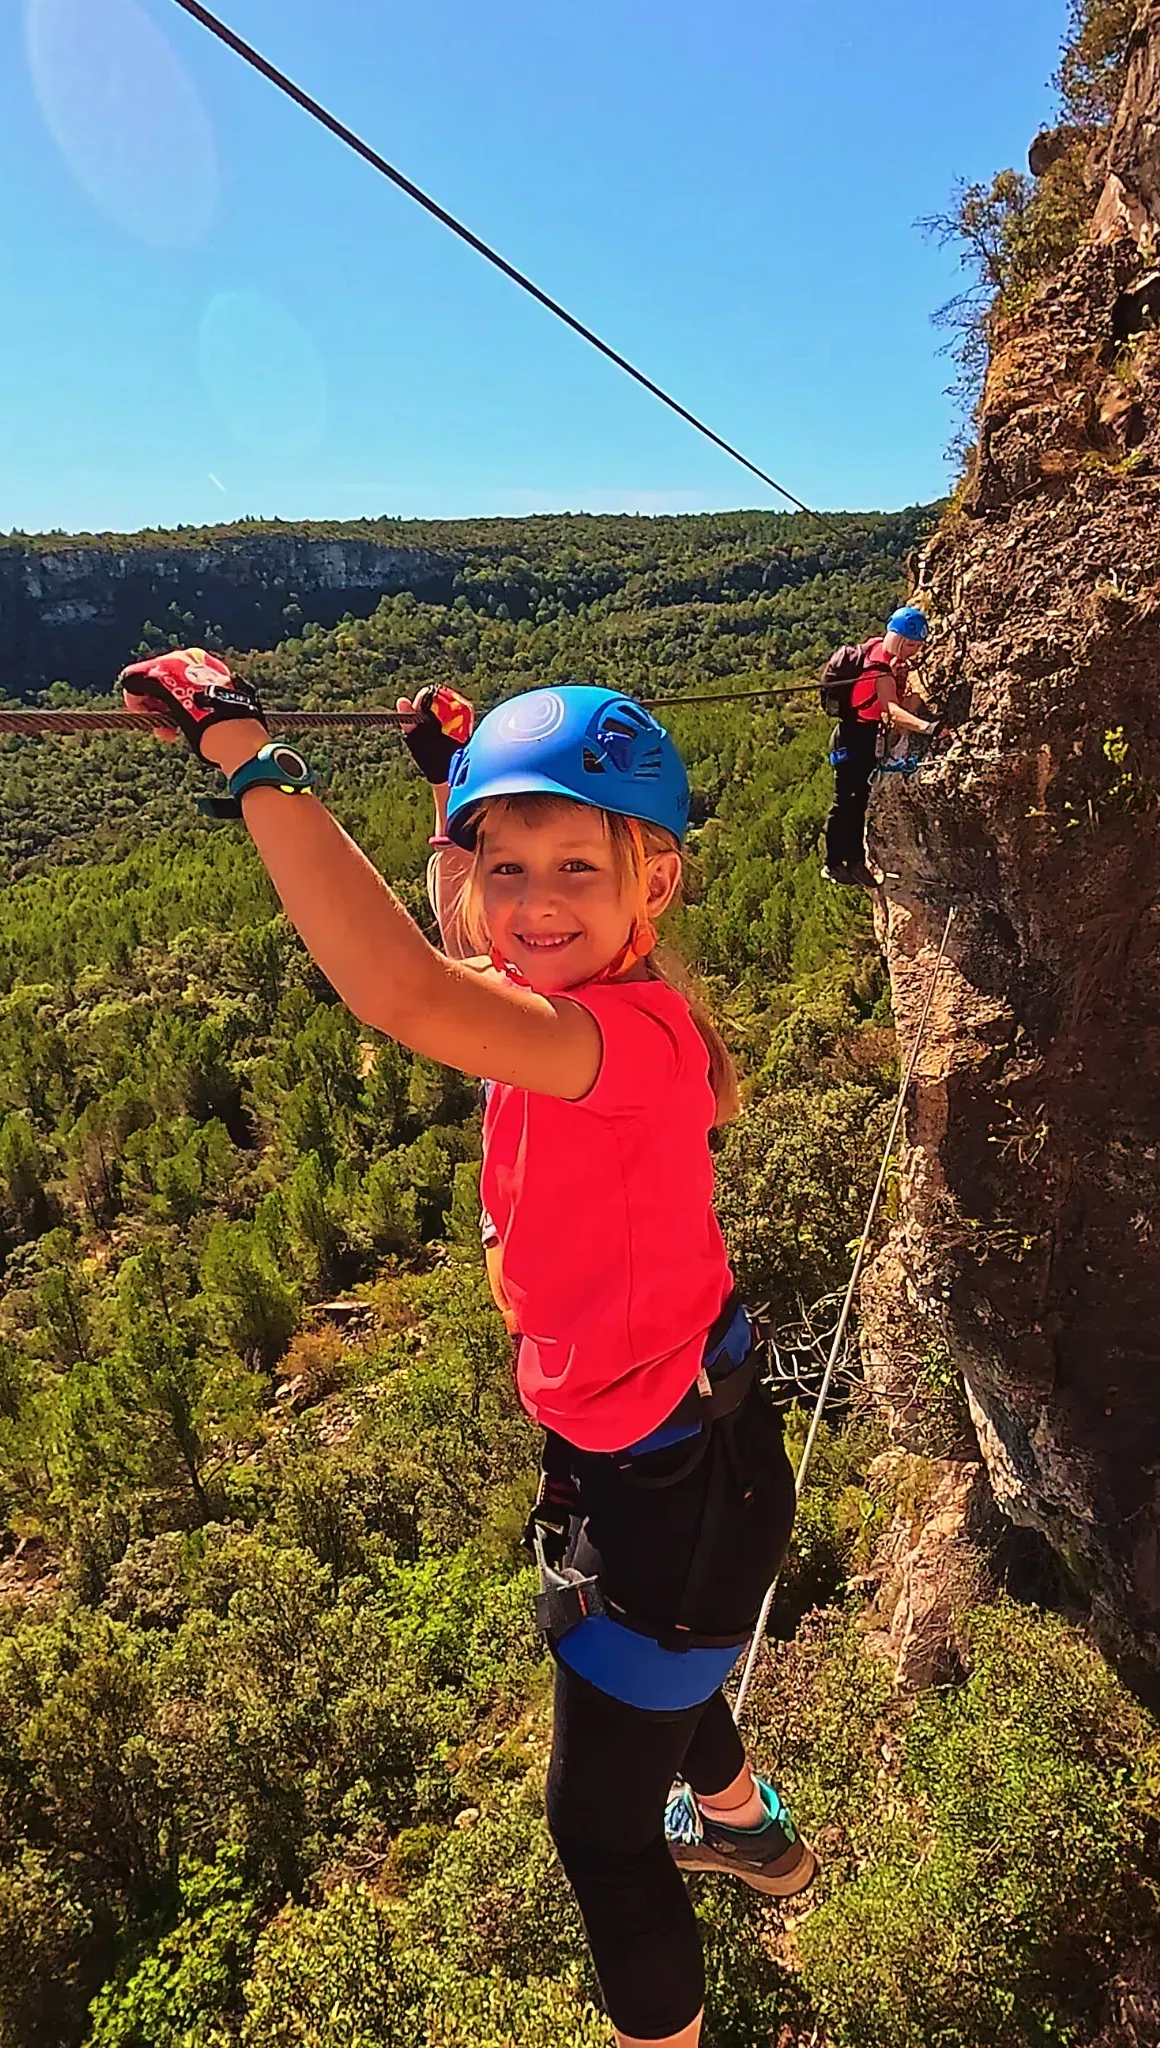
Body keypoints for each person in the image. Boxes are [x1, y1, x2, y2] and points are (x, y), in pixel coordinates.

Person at [118, 652, 815, 2048]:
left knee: (600, 1839)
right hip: (656, 1450)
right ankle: (745, 1826)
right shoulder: (556, 977)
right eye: (510, 869)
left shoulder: (619, 1042)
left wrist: (251, 758)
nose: (532, 905)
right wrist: (455, 783)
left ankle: (729, 1867)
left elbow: (405, 990)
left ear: (653, 885)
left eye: (576, 868)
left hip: (674, 1495)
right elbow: (460, 925)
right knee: (632, 1678)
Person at [820, 604, 938, 887]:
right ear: (898, 639)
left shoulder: (876, 648)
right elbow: (892, 710)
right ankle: (835, 864)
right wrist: (928, 728)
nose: (915, 651)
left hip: (854, 735)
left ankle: (854, 861)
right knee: (846, 803)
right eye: (910, 645)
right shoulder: (879, 671)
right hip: (854, 740)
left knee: (856, 802)